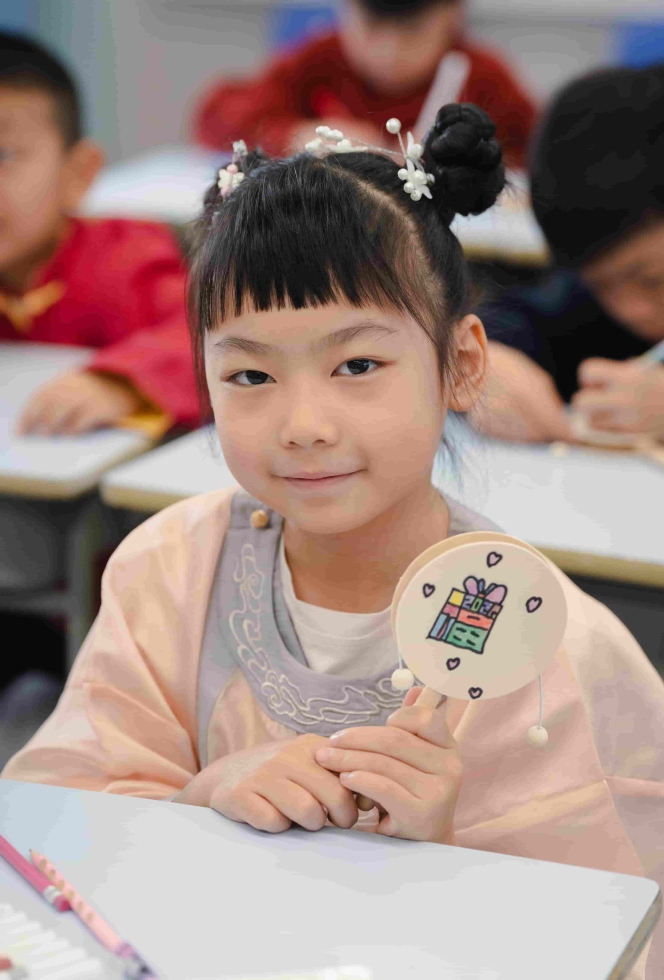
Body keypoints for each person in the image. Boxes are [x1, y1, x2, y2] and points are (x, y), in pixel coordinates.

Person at [3, 104, 662, 978]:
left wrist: (443, 852)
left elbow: (608, 926)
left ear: (462, 364)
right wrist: (202, 795)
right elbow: (60, 823)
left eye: (357, 365)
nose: (303, 424)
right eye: (249, 374)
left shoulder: (544, 639)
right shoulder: (170, 568)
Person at [0, 32, 198, 434]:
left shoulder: (125, 260)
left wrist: (116, 384)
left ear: (79, 172)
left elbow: (212, 331)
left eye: (3, 155)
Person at [478, 63, 664, 443]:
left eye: (651, 280)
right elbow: (522, 318)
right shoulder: (601, 299)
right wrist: (487, 362)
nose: (630, 311)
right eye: (601, 286)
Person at [194, 0, 536, 170]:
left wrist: (480, 164)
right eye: (370, 27)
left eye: (412, 31)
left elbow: (537, 153)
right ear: (344, 4)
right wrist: (295, 135)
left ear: (453, 14)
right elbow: (216, 116)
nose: (388, 52)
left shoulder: (481, 80)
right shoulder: (319, 60)